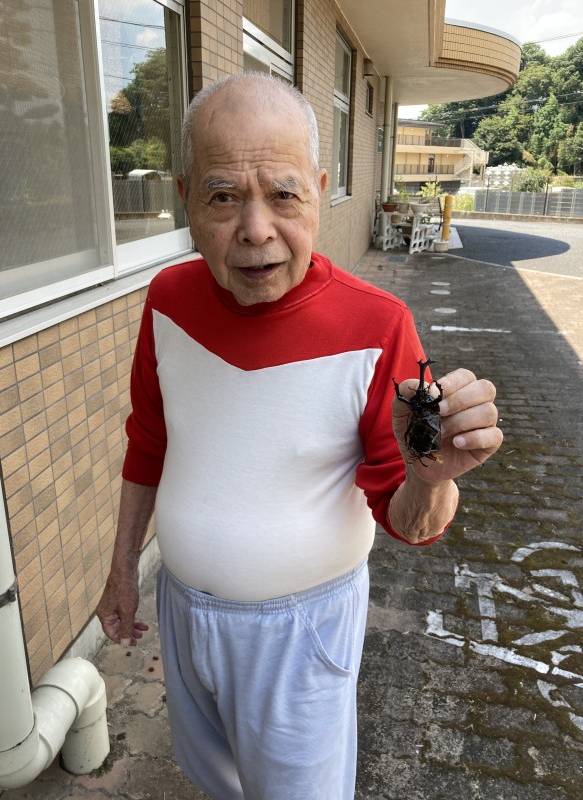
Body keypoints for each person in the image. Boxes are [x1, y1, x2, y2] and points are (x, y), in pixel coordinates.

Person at [96, 73, 502, 799]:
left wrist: (431, 477)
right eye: (224, 196)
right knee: (212, 778)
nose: (256, 229)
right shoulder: (167, 299)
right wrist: (124, 567)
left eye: (283, 194)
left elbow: (413, 523)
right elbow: (149, 439)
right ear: (186, 199)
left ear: (317, 190)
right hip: (181, 609)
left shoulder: (379, 326)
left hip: (300, 632)